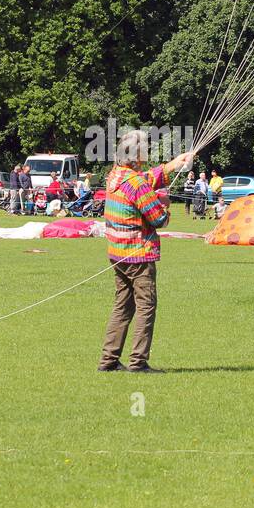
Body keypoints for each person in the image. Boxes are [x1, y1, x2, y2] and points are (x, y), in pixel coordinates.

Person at [97, 130, 193, 373]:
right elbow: (158, 219)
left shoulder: (115, 176)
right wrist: (165, 205)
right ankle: (138, 362)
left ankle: (108, 360)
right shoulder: (136, 183)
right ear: (137, 154)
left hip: (117, 253)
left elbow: (144, 179)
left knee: (123, 306)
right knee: (146, 305)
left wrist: (172, 165)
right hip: (137, 255)